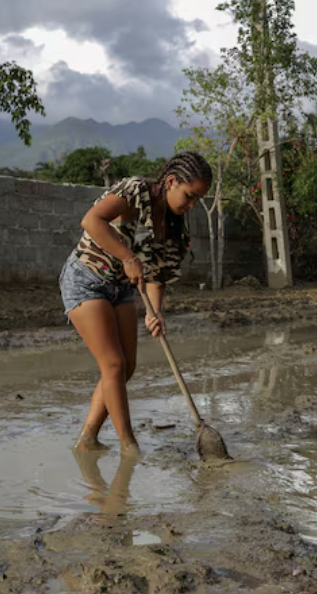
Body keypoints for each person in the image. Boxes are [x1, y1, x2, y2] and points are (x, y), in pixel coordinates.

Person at [59, 151, 213, 454]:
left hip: (122, 288)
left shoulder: (173, 226)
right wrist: (127, 256)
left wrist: (154, 313)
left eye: (197, 200)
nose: (191, 205)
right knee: (113, 365)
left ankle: (88, 438)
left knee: (126, 367)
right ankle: (129, 446)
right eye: (189, 196)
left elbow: (157, 276)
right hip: (86, 279)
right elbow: (91, 220)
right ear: (170, 181)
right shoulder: (135, 191)